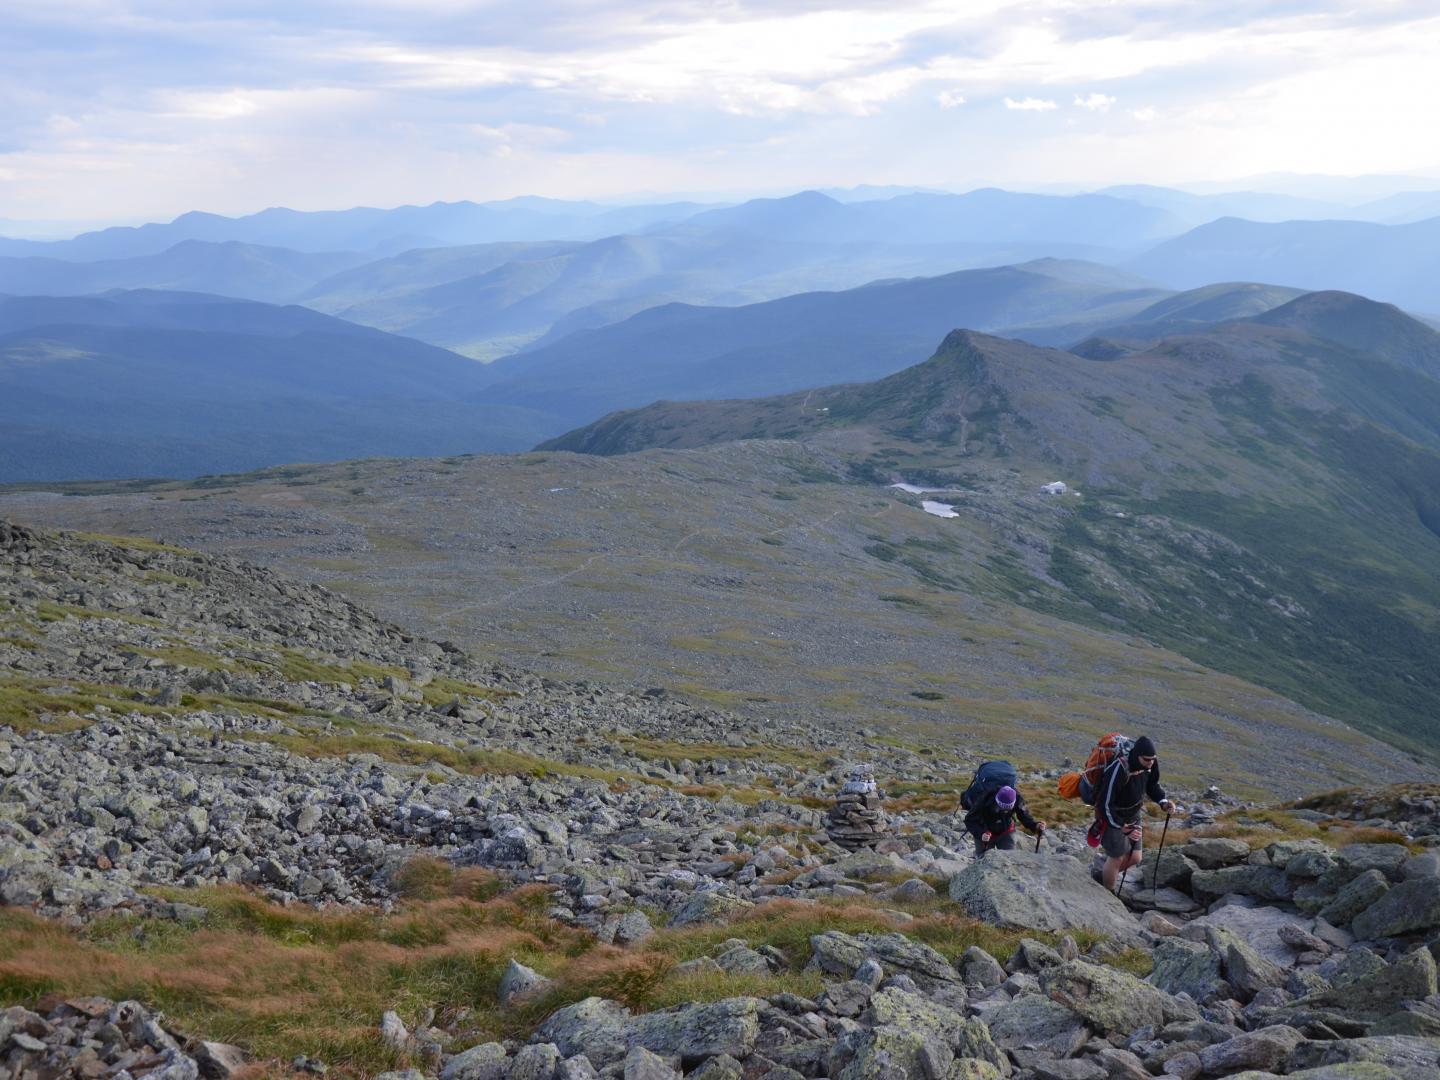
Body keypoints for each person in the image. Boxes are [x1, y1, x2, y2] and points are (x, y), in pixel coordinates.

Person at [1094, 735, 1177, 890]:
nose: (1151, 762)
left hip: (1133, 815)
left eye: (1153, 759)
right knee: (1117, 857)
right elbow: (1105, 803)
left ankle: (1102, 876)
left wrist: (1163, 802)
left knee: (1135, 857)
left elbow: (1152, 786)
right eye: (1147, 759)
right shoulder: (1119, 768)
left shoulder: (1150, 764)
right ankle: (1108, 893)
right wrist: (1120, 826)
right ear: (1137, 755)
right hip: (1112, 816)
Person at [964, 784, 1045, 858]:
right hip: (985, 831)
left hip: (1006, 831)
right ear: (996, 801)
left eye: (1008, 809)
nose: (1005, 811)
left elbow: (1023, 815)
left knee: (1010, 859)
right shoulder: (985, 798)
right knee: (982, 859)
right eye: (1001, 807)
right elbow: (969, 820)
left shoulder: (1017, 798)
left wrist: (1035, 826)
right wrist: (981, 834)